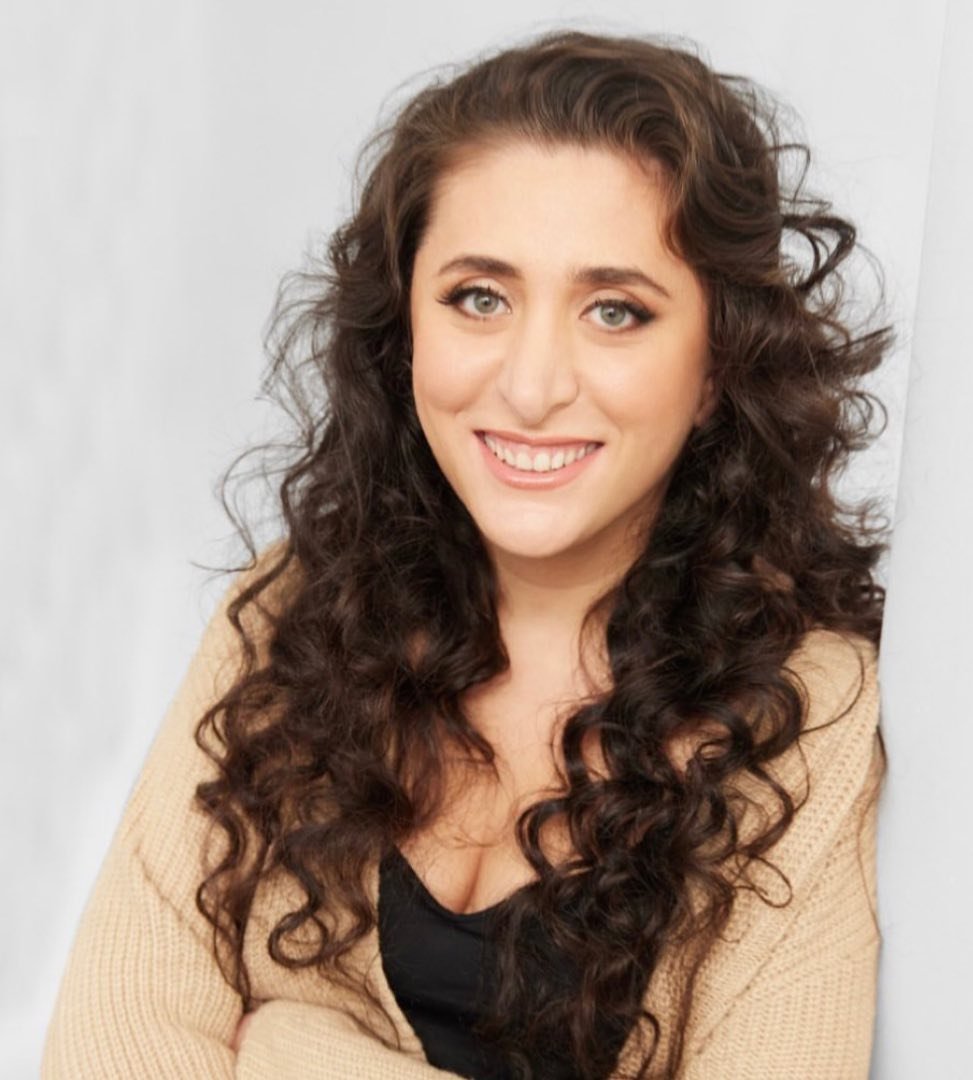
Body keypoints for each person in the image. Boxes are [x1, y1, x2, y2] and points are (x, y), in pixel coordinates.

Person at [42, 28, 891, 1080]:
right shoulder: (291, 612)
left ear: (719, 362)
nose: (531, 387)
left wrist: (301, 1054)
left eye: (616, 311)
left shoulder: (811, 714)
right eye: (479, 297)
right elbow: (103, 1049)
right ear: (407, 327)